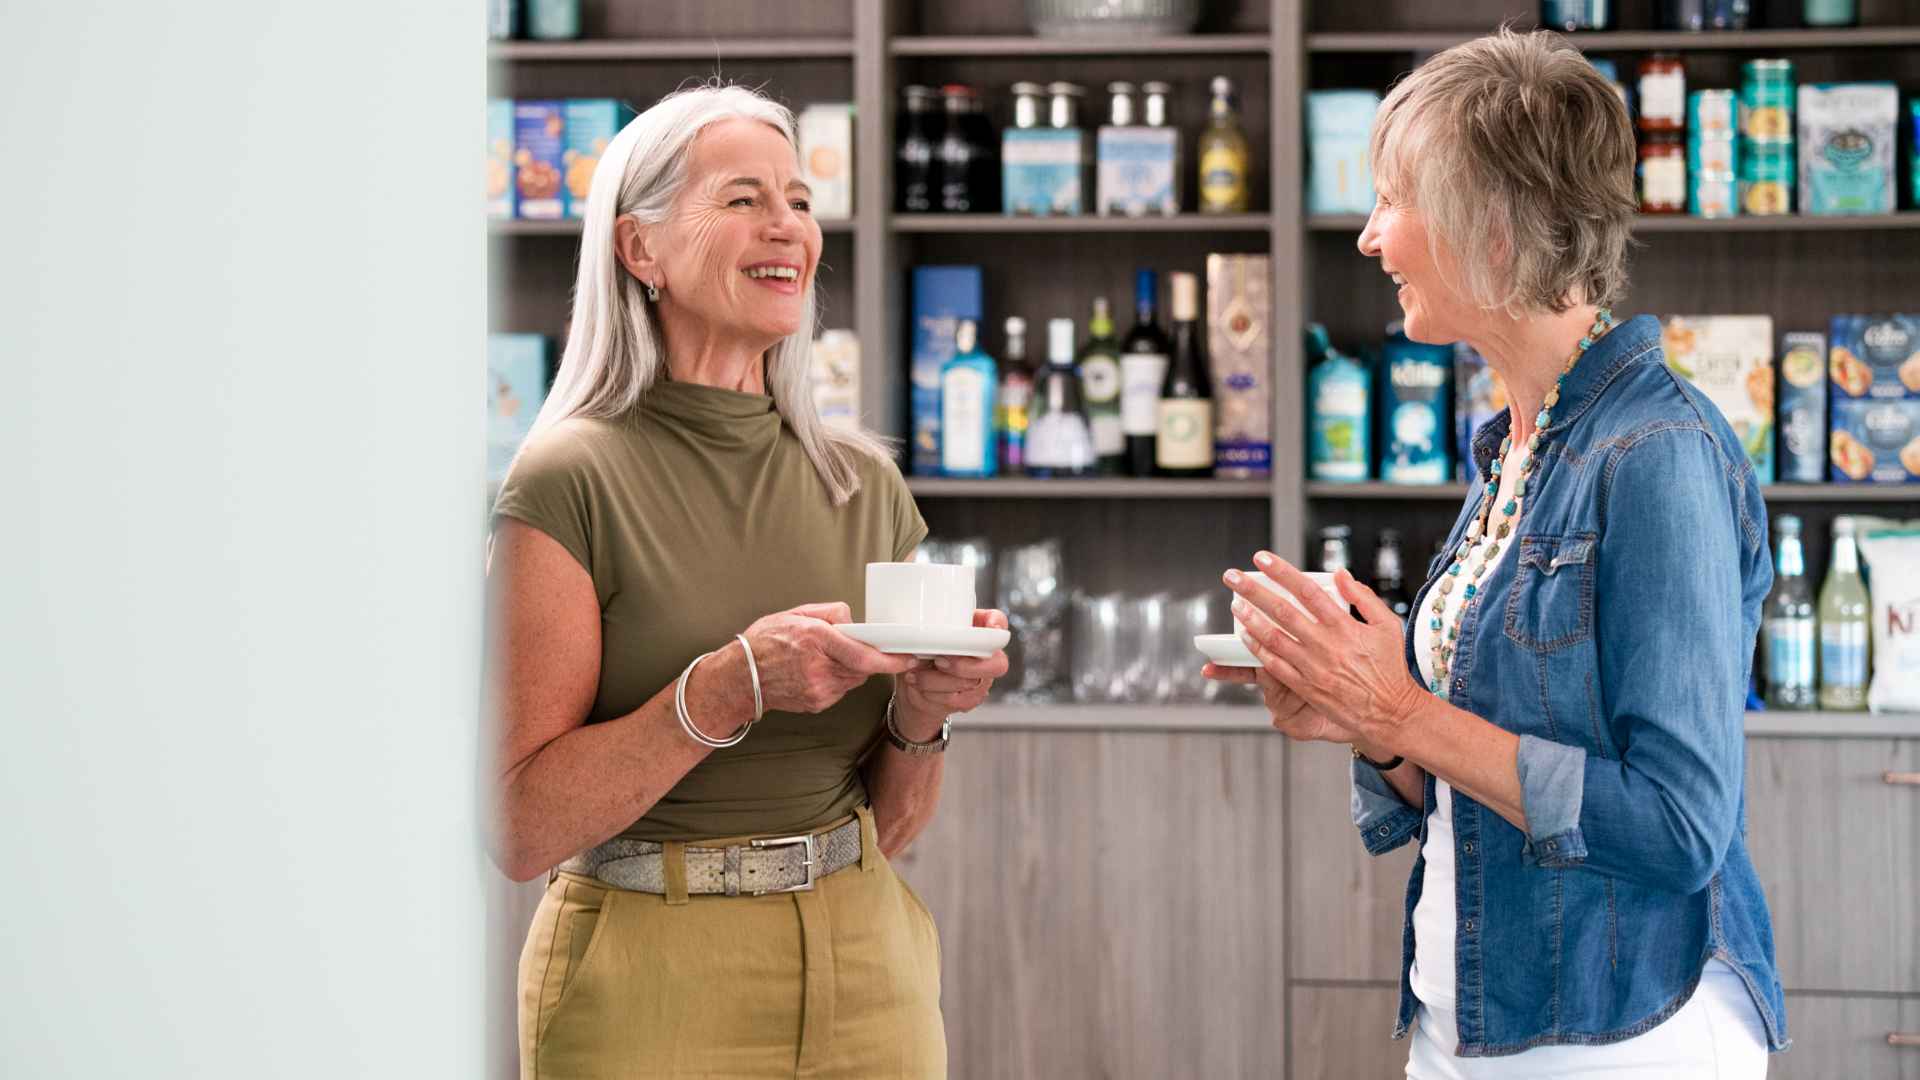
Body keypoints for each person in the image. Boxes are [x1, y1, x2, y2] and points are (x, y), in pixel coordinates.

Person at [1208, 30, 1786, 1077]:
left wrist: (1400, 710)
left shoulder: (1657, 457)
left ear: (1498, 234)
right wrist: (1369, 725)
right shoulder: (1515, 450)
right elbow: (1481, 773)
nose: (1371, 239)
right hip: (1475, 1017)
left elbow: (1679, 824)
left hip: (1621, 1037)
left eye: (1395, 201)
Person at [486, 84, 1006, 1078]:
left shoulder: (862, 484)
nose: (788, 229)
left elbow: (888, 824)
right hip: (647, 978)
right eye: (742, 199)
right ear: (641, 250)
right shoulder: (568, 477)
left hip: (866, 964)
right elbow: (520, 829)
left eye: (801, 202)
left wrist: (923, 715)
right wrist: (726, 689)